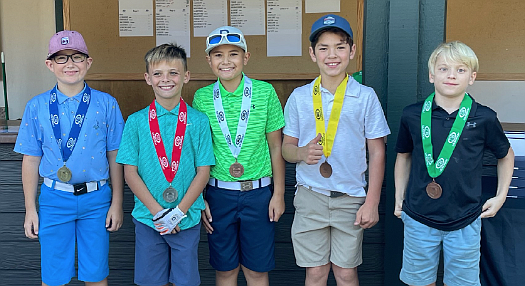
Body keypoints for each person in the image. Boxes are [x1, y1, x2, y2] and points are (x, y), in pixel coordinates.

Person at [394, 41, 515, 286]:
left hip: (465, 219)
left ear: (472, 77)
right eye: (443, 69)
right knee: (419, 282)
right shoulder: (412, 114)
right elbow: (403, 155)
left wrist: (501, 196)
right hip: (419, 217)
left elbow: (506, 155)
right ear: (431, 75)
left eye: (460, 70)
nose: (451, 75)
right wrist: (399, 195)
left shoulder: (484, 117)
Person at [282, 14, 390, 286]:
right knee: (315, 272)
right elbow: (286, 149)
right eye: (323, 48)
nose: (332, 55)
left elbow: (377, 152)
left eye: (340, 47)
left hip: (351, 198)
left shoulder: (365, 96)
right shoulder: (299, 97)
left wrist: (372, 202)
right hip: (310, 196)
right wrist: (301, 153)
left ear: (352, 51)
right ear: (312, 53)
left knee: (345, 272)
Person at [14, 30, 124, 286]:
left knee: (96, 274)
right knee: (53, 277)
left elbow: (115, 156)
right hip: (54, 199)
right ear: (49, 65)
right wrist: (30, 209)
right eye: (61, 58)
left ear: (89, 61)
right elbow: (30, 160)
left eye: (77, 56)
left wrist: (117, 202)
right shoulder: (36, 106)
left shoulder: (106, 104)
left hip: (97, 200)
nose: (70, 64)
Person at [192, 26, 286, 285]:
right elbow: (199, 153)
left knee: (256, 271)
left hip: (258, 194)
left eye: (233, 54)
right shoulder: (201, 98)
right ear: (209, 60)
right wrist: (200, 198)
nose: (226, 61)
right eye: (217, 55)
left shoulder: (265, 92)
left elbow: (276, 147)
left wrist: (278, 194)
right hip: (218, 194)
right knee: (225, 270)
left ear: (246, 57)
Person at [116, 43, 214, 286]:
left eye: (173, 72)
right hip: (149, 218)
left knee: (186, 281)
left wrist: (178, 212)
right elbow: (130, 173)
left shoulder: (199, 121)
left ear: (186, 76)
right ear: (147, 78)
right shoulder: (136, 122)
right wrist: (159, 213)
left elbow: (203, 172)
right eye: (158, 73)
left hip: (187, 217)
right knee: (151, 281)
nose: (165, 79)